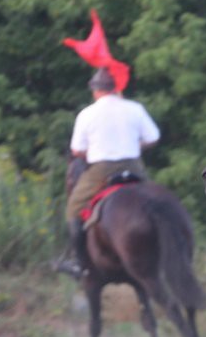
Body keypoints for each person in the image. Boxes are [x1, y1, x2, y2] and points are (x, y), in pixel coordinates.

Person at [54, 66, 161, 278]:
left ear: (95, 90)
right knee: (154, 204)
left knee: (74, 208)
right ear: (114, 88)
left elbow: (76, 150)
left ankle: (79, 263)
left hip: (100, 170)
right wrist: (135, 147)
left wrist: (91, 153)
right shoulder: (135, 108)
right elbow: (153, 137)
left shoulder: (87, 113)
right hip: (133, 166)